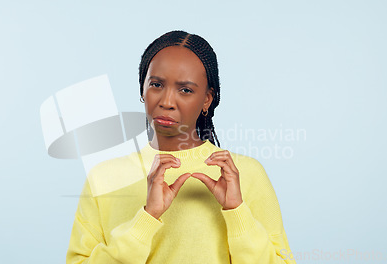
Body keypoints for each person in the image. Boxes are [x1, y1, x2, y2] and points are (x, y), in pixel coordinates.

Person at [66, 30, 297, 263]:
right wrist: (147, 218)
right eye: (156, 84)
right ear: (142, 89)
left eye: (185, 90)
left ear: (207, 99)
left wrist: (237, 211)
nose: (166, 102)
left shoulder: (243, 173)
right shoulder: (104, 177)